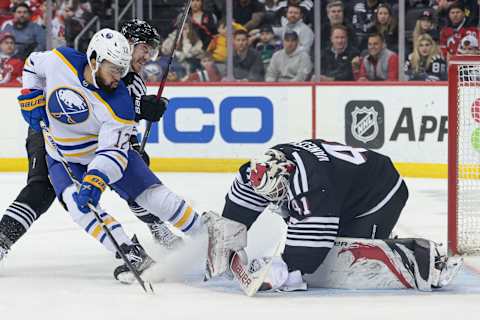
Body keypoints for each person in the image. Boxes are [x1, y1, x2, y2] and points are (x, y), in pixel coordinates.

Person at [14, 28, 208, 282]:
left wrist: (96, 178)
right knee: (78, 206)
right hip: (62, 157)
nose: (119, 76)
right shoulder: (59, 60)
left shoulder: (119, 103)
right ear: (94, 60)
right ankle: (130, 252)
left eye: (122, 69)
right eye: (114, 69)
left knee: (153, 196)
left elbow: (113, 152)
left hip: (102, 154)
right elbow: (32, 65)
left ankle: (208, 235)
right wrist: (31, 95)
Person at [217, 139, 463, 292]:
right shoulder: (264, 167)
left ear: (287, 174)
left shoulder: (311, 184)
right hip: (343, 194)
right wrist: (229, 239)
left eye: (279, 190)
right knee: (326, 240)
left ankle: (431, 261)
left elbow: (309, 249)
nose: (276, 198)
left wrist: (285, 269)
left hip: (380, 193)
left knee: (346, 255)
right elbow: (241, 202)